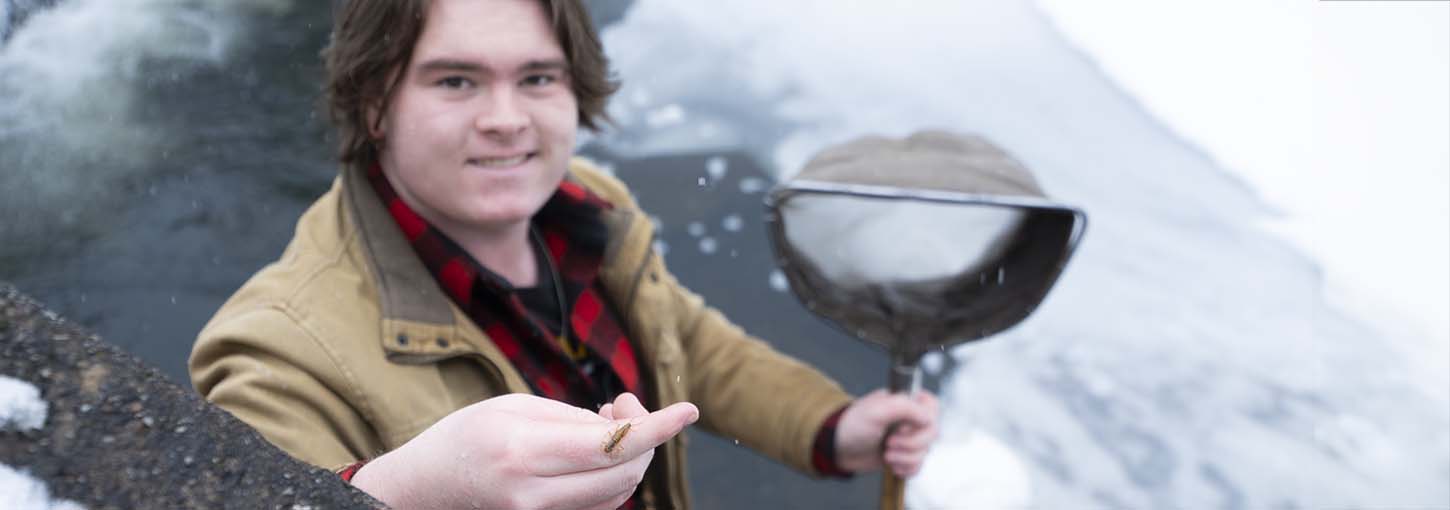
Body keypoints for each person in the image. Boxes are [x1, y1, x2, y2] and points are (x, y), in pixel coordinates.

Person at [189, 0, 938, 508]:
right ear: (374, 103)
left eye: (538, 78)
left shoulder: (588, 205)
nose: (507, 121)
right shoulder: (277, 349)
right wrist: (421, 490)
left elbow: (693, 346)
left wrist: (830, 427)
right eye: (456, 81)